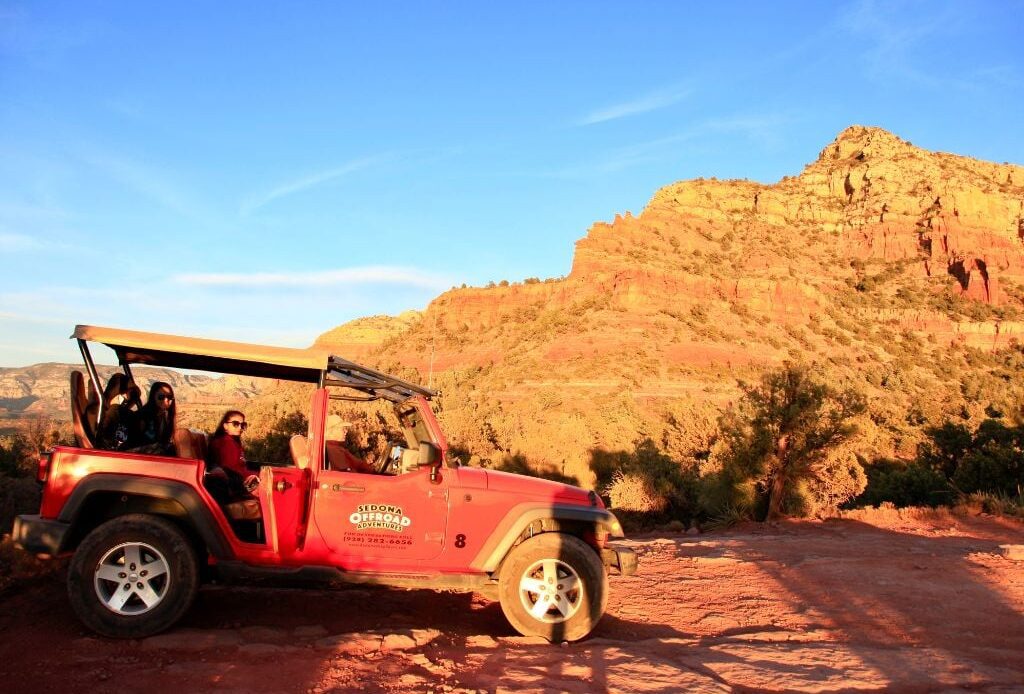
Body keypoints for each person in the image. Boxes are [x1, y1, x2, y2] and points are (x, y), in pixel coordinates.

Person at [205, 410, 258, 503]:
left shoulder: (232, 441)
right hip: (234, 483)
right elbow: (232, 469)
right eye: (235, 424)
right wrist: (256, 476)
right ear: (225, 426)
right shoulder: (225, 442)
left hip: (237, 480)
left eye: (243, 425)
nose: (240, 427)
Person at [95, 373, 142, 450]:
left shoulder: (128, 415)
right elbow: (102, 441)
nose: (129, 399)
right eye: (124, 395)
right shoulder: (106, 414)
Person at [131, 381, 177, 456]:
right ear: (153, 397)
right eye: (161, 397)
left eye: (169, 397)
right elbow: (135, 442)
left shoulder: (166, 416)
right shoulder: (142, 416)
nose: (166, 400)